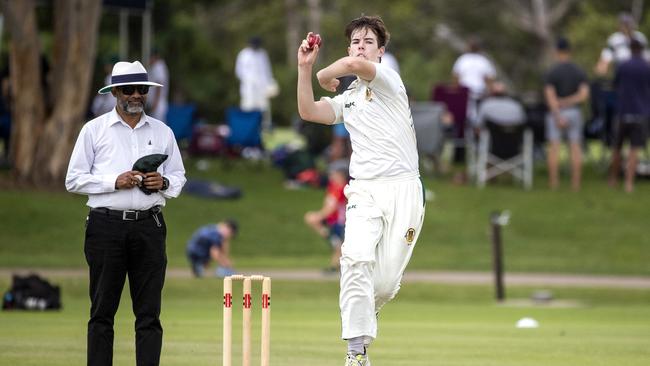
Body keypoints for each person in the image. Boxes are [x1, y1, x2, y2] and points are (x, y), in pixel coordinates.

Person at [297, 15, 426, 366]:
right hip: (364, 192)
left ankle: (365, 319)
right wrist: (306, 69)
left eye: (368, 42)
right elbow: (309, 110)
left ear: (380, 53)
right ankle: (356, 354)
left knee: (382, 285)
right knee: (354, 261)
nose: (360, 48)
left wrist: (326, 75)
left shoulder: (388, 81)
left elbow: (353, 66)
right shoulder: (349, 99)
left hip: (403, 190)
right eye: (355, 42)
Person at [65, 60, 186, 366]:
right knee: (102, 312)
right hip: (106, 227)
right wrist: (113, 182)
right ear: (115, 91)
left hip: (149, 227)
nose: (136, 96)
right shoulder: (94, 130)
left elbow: (179, 176)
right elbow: (74, 179)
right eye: (129, 90)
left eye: (142, 89)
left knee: (148, 314)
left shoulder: (162, 131)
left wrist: (165, 182)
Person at [543, 37, 589, 191]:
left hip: (556, 113)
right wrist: (569, 102)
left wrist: (558, 112)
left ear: (557, 51)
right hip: (575, 112)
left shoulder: (552, 71)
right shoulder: (579, 71)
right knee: (575, 147)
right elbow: (583, 95)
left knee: (554, 147)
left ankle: (553, 183)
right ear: (569, 51)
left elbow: (550, 96)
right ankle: (575, 184)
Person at [608, 39, 650, 193]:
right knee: (635, 149)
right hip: (641, 113)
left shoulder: (623, 66)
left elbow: (614, 85)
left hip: (623, 112)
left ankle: (613, 179)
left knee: (617, 148)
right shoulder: (647, 67)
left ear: (630, 49)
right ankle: (629, 183)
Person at [304, 161, 348, 273]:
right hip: (333, 221)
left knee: (340, 244)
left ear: (341, 175)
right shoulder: (333, 187)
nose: (331, 176)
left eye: (333, 174)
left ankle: (335, 265)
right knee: (338, 244)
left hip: (340, 221)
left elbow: (332, 207)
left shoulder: (341, 188)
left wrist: (319, 216)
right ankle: (335, 265)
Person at [235, 36, 278, 130]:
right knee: (248, 107)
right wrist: (248, 81)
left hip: (262, 86)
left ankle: (265, 127)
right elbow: (239, 71)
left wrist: (270, 83)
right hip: (248, 87)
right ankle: (248, 127)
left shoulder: (262, 54)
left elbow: (267, 70)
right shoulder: (243, 54)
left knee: (264, 108)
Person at [595, 12, 649, 76]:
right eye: (624, 24)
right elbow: (606, 56)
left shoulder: (640, 37)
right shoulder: (615, 39)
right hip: (622, 69)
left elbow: (646, 55)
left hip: (638, 70)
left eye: (628, 24)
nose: (626, 27)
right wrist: (601, 69)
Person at [147, 49, 169, 121]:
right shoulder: (158, 67)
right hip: (158, 102)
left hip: (158, 103)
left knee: (158, 127)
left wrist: (155, 102)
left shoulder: (158, 67)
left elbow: (158, 85)